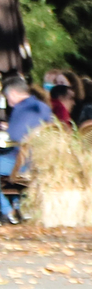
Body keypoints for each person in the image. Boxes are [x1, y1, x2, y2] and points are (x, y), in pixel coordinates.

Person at [2, 73, 56, 219]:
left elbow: (15, 135)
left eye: (7, 97)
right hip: (42, 161)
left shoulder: (21, 108)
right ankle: (18, 205)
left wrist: (8, 128)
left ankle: (8, 211)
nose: (8, 101)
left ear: (13, 93)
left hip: (23, 162)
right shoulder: (43, 106)